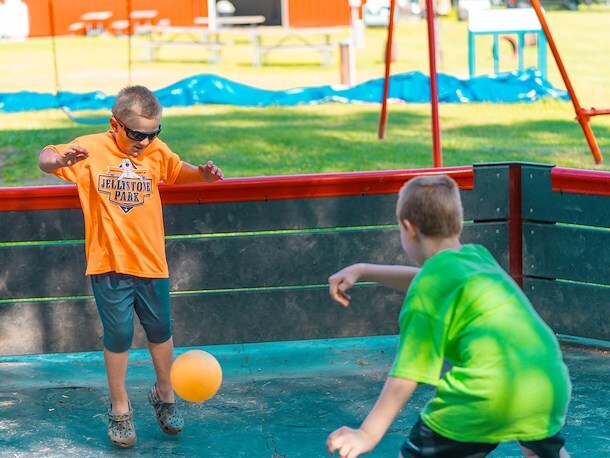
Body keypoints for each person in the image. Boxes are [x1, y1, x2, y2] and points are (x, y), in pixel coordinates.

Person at [325, 175, 572, 458]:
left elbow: (407, 373)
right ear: (458, 223)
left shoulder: (427, 291)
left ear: (408, 229)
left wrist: (366, 434)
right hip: (545, 381)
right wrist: (364, 270)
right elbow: (431, 281)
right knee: (539, 450)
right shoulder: (477, 257)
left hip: (484, 394)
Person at [38, 85, 224, 448]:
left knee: (160, 331)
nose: (145, 141)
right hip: (109, 264)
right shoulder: (89, 149)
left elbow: (174, 170)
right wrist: (60, 162)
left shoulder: (156, 151)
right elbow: (45, 156)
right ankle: (120, 407)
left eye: (154, 134)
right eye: (137, 134)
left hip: (152, 262)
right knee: (120, 335)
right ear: (115, 125)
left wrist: (201, 175)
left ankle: (165, 393)